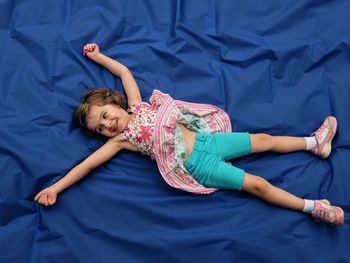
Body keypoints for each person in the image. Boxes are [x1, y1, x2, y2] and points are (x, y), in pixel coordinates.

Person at [34, 43, 344, 226]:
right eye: (99, 129)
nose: (107, 125)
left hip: (209, 140)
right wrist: (56, 189)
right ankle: (311, 207)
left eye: (105, 116)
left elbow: (124, 73)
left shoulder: (137, 104)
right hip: (197, 164)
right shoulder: (121, 141)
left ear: (114, 102)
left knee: (263, 140)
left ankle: (314, 143)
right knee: (256, 185)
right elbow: (87, 165)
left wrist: (98, 56)